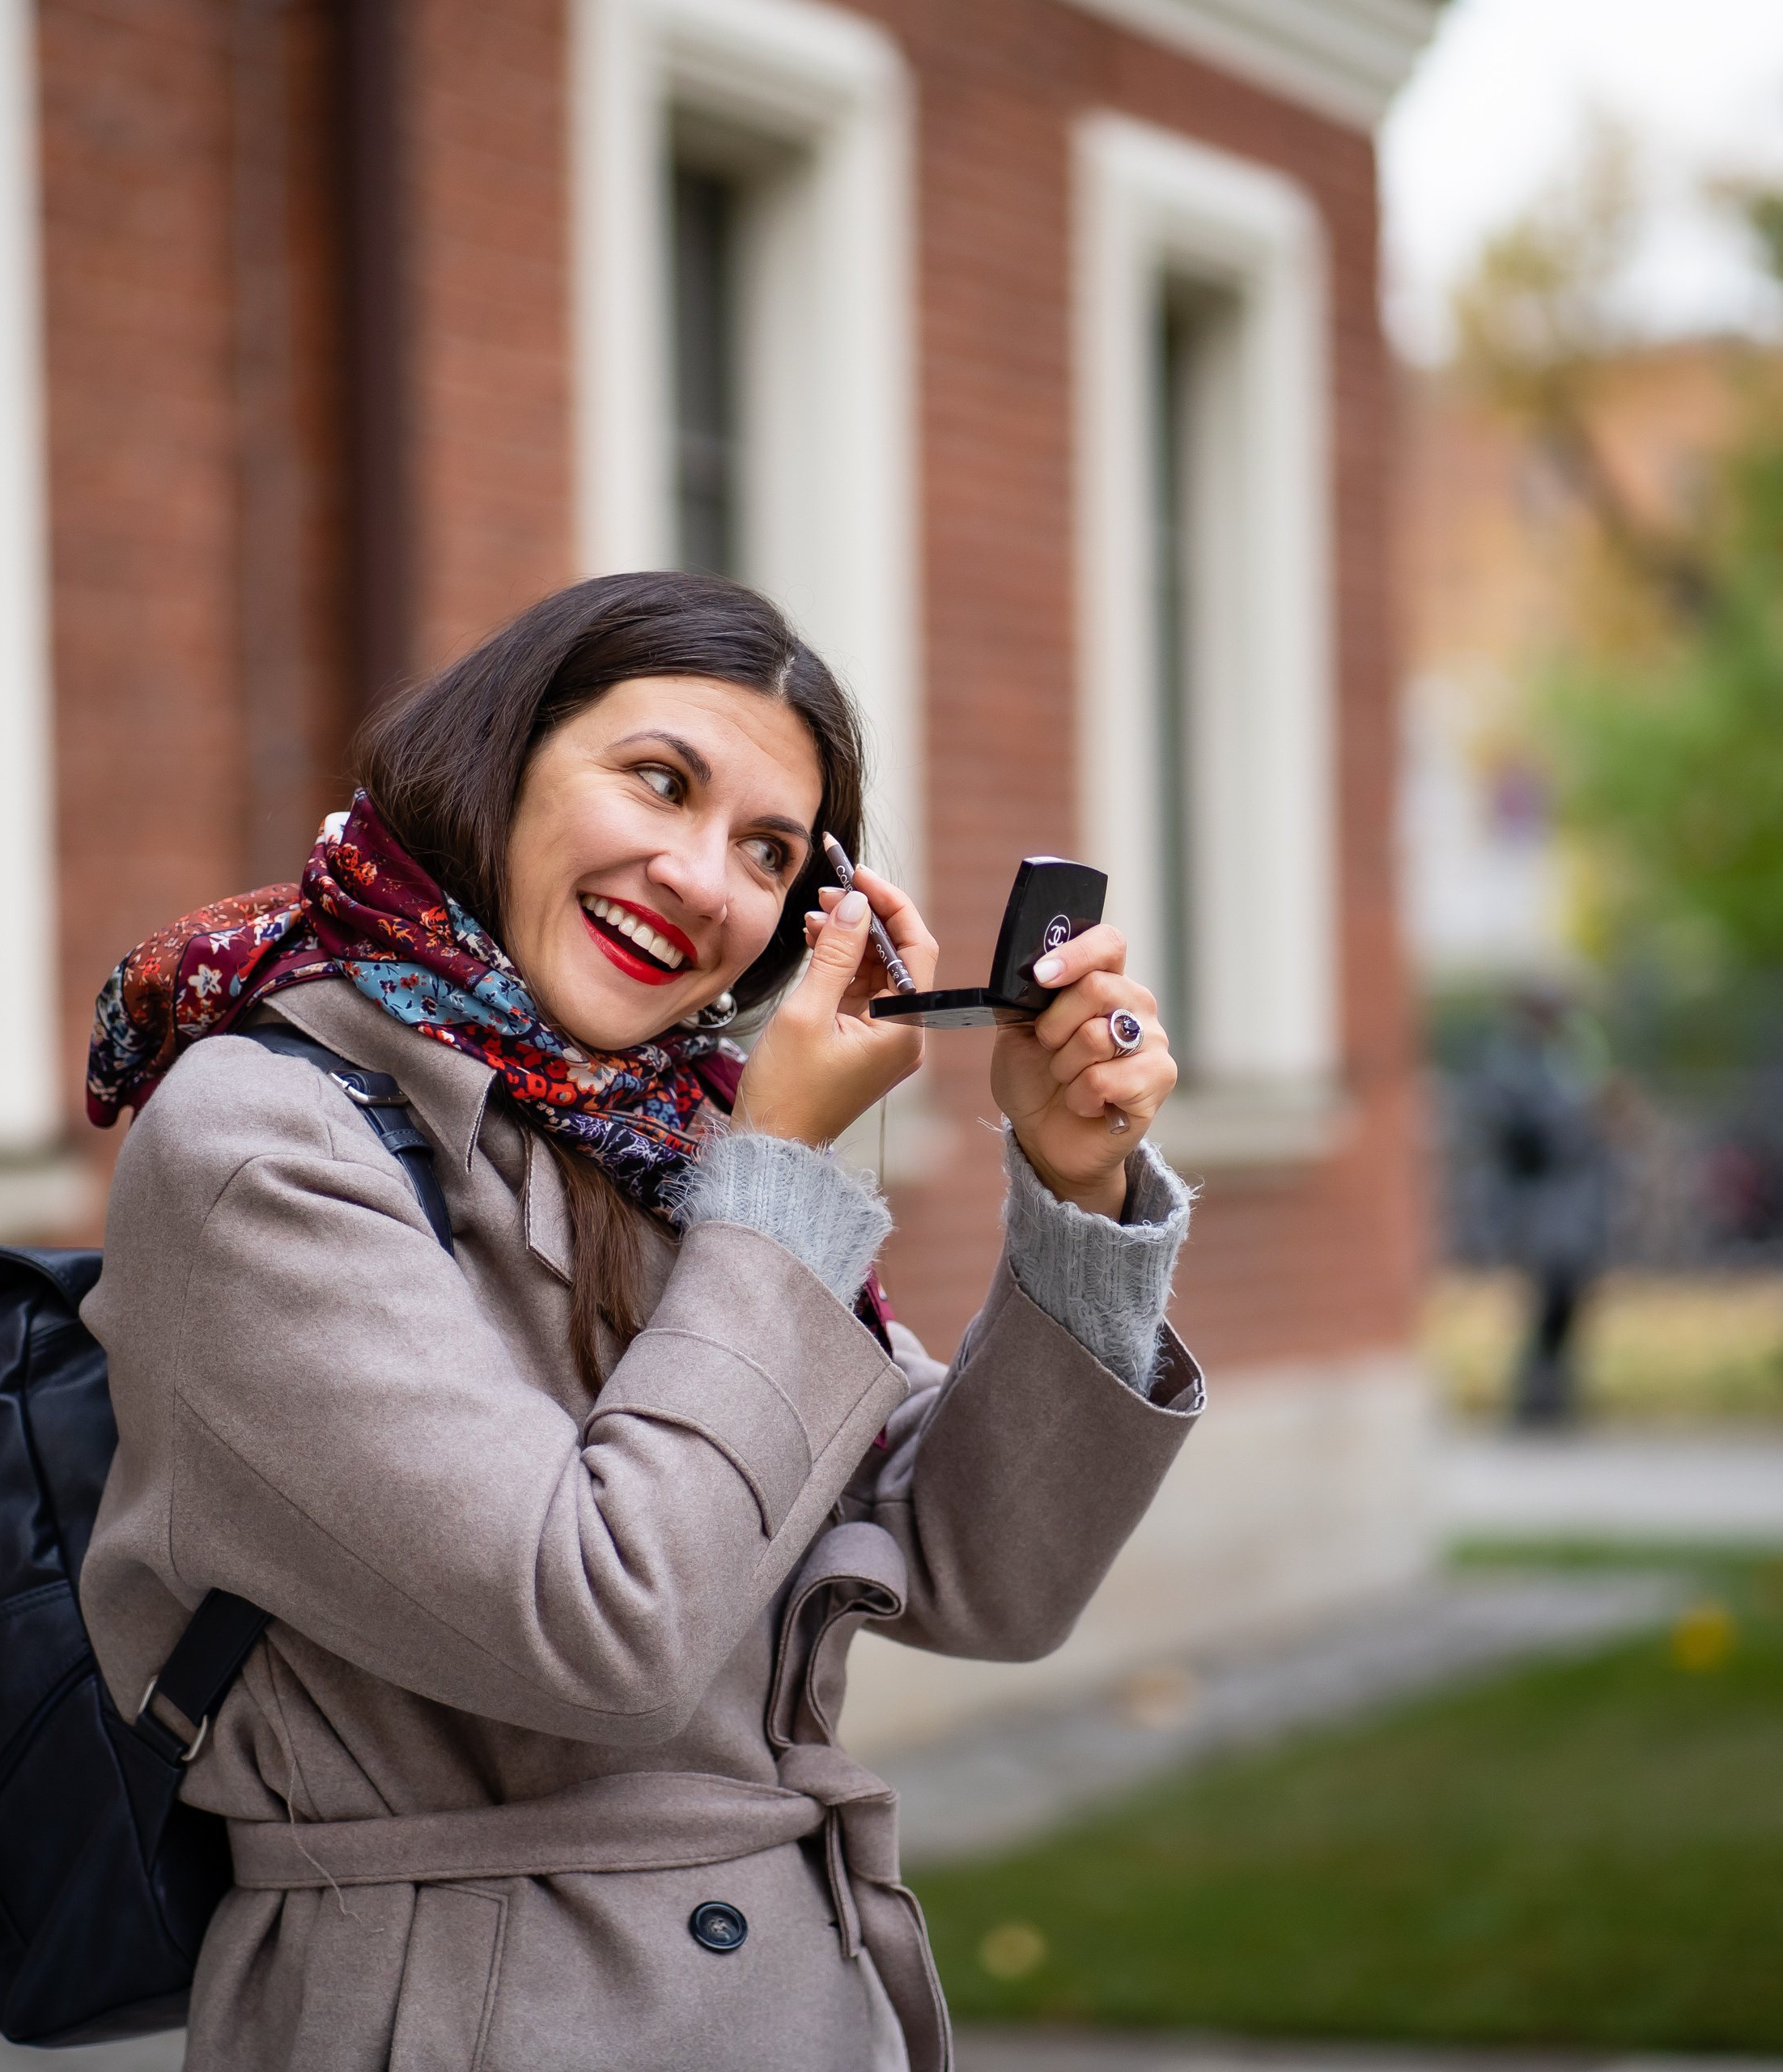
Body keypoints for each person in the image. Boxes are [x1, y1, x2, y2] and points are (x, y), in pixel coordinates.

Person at [79, 571, 1199, 2072]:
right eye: (658, 782)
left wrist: (1076, 1191)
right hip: (456, 2012)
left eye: (768, 852)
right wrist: (784, 1170)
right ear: (505, 759)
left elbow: (980, 1570)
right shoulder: (262, 1140)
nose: (700, 878)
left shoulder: (661, 1143)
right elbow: (601, 1628)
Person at [1485, 985, 1611, 1426]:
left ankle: (1553, 1395)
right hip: (1537, 1206)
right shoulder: (1513, 1066)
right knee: (1546, 1300)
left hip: (1573, 1206)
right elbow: (1524, 1139)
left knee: (1568, 1302)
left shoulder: (1569, 1063)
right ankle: (1535, 1400)